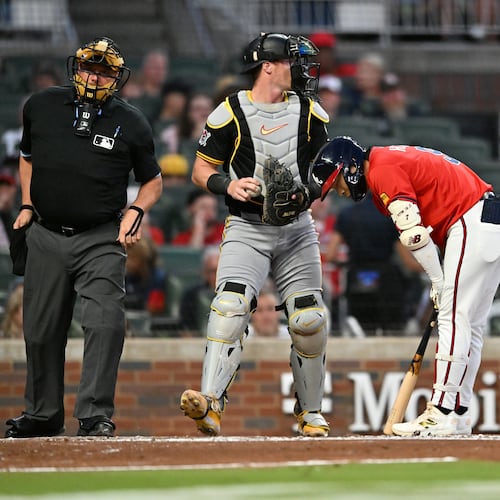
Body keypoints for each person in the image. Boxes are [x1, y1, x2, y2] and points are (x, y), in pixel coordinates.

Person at [4, 37, 163, 439]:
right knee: (39, 328)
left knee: (105, 322)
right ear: (75, 68)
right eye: (89, 68)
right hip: (45, 231)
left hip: (101, 237)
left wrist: (136, 209)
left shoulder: (132, 121)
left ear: (117, 78)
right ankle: (42, 413)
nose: (95, 77)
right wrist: (26, 204)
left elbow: (153, 181)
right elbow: (27, 159)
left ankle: (93, 413)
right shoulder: (40, 106)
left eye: (105, 71)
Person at [179, 32, 331, 437]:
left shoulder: (310, 112)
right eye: (292, 62)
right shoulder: (228, 113)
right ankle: (210, 403)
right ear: (268, 66)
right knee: (229, 307)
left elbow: (324, 171)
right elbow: (199, 170)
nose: (300, 71)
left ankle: (311, 412)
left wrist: (311, 191)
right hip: (248, 227)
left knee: (309, 319)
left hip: (297, 229)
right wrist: (226, 186)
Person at [311, 135, 500, 436]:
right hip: (485, 219)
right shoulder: (387, 160)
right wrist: (439, 280)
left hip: (469, 220)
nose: (341, 192)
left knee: (455, 319)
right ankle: (458, 411)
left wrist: (437, 281)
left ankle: (441, 411)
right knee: (470, 323)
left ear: (350, 168)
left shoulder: (381, 168)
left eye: (337, 184)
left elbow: (413, 233)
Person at [325, 192, 423, 335]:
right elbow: (408, 262)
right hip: (387, 283)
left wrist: (348, 263)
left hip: (356, 280)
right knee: (392, 334)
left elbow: (330, 255)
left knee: (361, 332)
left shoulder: (346, 214)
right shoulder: (390, 216)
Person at [179, 245, 220, 334]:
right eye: (213, 271)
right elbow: (186, 331)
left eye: (220, 269)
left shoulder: (237, 294)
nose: (218, 275)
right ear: (205, 273)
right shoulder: (191, 297)